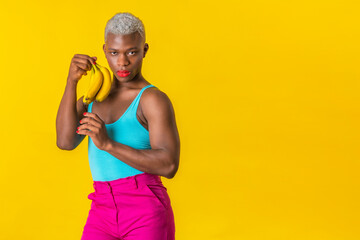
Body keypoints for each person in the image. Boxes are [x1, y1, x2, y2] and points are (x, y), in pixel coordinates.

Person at [56, 12, 180, 240]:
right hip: (101, 208)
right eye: (114, 53)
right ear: (104, 50)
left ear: (144, 50)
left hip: (145, 209)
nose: (122, 62)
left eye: (131, 52)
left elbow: (169, 164)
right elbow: (65, 142)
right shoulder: (94, 97)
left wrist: (108, 144)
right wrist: (71, 82)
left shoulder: (152, 99)